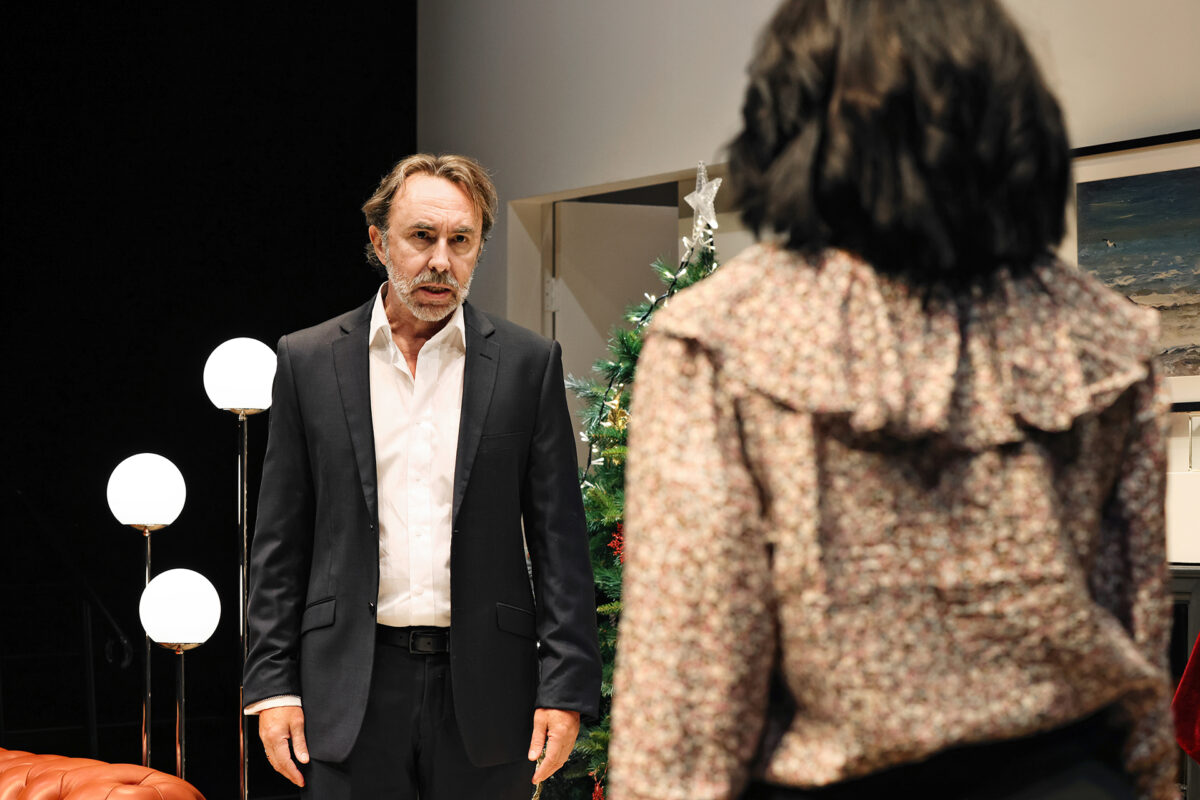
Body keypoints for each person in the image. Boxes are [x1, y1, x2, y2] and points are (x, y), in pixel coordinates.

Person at [609, 1, 1176, 799]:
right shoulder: (1101, 335)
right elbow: (1139, 633)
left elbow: (692, 687)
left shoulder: (722, 337)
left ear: (796, 114)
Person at [243, 153, 601, 799]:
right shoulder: (307, 360)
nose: (441, 260)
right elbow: (278, 544)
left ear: (478, 251)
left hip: (491, 690)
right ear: (380, 242)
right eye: (422, 237)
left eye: (461, 241)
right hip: (349, 687)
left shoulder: (527, 364)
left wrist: (566, 688)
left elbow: (560, 543)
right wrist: (271, 684)